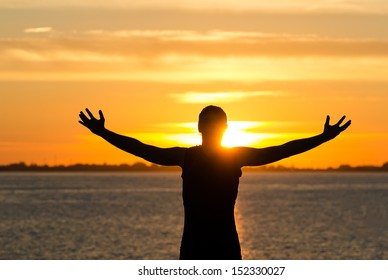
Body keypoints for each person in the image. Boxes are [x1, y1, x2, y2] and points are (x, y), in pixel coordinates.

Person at [78, 105, 351, 260]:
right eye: (205, 122)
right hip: (193, 246)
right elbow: (142, 149)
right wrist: (103, 133)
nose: (209, 127)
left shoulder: (234, 157)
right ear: (199, 128)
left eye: (214, 123)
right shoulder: (186, 156)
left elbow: (281, 149)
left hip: (226, 246)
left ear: (224, 128)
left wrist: (322, 138)